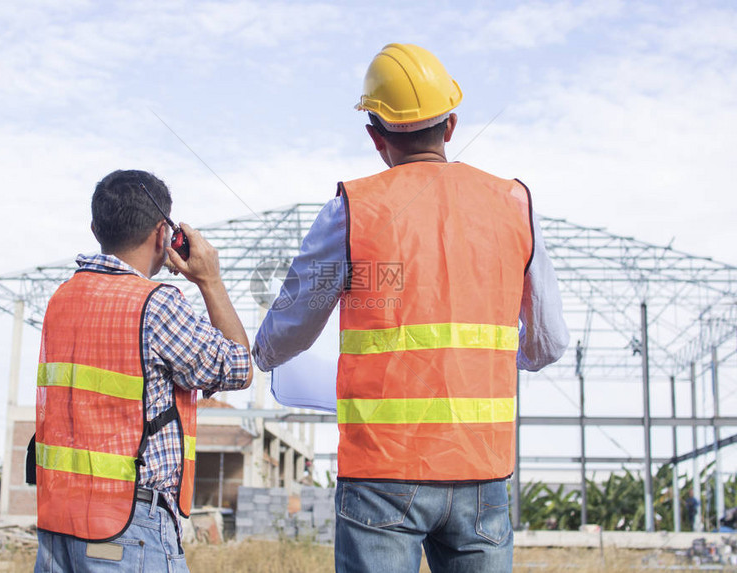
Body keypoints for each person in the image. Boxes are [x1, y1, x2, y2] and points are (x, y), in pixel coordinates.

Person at [252, 43, 568, 572]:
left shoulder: (352, 209)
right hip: (481, 470)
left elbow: (293, 327)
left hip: (382, 471)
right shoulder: (514, 206)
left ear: (375, 136)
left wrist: (256, 357)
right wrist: (481, 364)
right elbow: (549, 344)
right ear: (451, 125)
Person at [33, 169, 252, 572]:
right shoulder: (156, 305)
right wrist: (210, 280)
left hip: (58, 522)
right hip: (126, 526)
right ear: (161, 234)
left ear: (96, 227)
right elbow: (238, 368)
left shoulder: (61, 299)